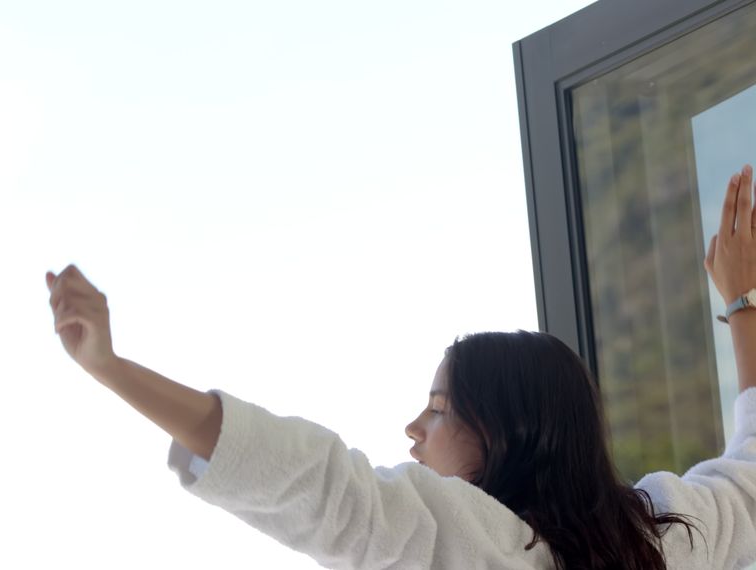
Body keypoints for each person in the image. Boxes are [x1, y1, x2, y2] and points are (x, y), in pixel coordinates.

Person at [45, 166, 756, 569]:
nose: (414, 428)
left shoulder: (472, 545)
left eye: (440, 408)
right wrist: (742, 300)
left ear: (508, 433)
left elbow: (322, 485)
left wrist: (112, 368)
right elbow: (749, 478)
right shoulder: (660, 538)